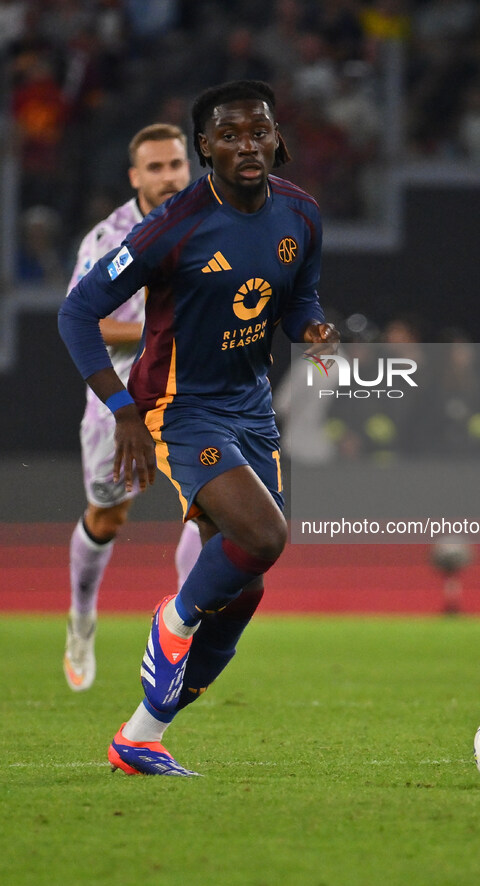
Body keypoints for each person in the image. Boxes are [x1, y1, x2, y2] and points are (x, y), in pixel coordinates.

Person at [58, 79, 339, 775]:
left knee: (246, 589)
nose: (247, 145)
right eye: (230, 134)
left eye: (259, 131)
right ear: (204, 148)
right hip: (179, 405)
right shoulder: (171, 226)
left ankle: (140, 735)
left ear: (275, 138)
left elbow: (299, 294)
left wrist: (313, 330)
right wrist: (122, 409)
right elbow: (78, 314)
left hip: (250, 407)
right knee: (265, 535)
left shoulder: (300, 213)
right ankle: (173, 620)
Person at [63, 122, 200, 693]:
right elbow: (87, 320)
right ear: (135, 177)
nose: (169, 177)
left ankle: (186, 634)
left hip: (190, 396)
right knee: (108, 516)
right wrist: (160, 323)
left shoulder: (210, 219)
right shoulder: (109, 240)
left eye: (176, 164)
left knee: (207, 505)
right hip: (119, 404)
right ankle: (81, 615)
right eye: (156, 168)